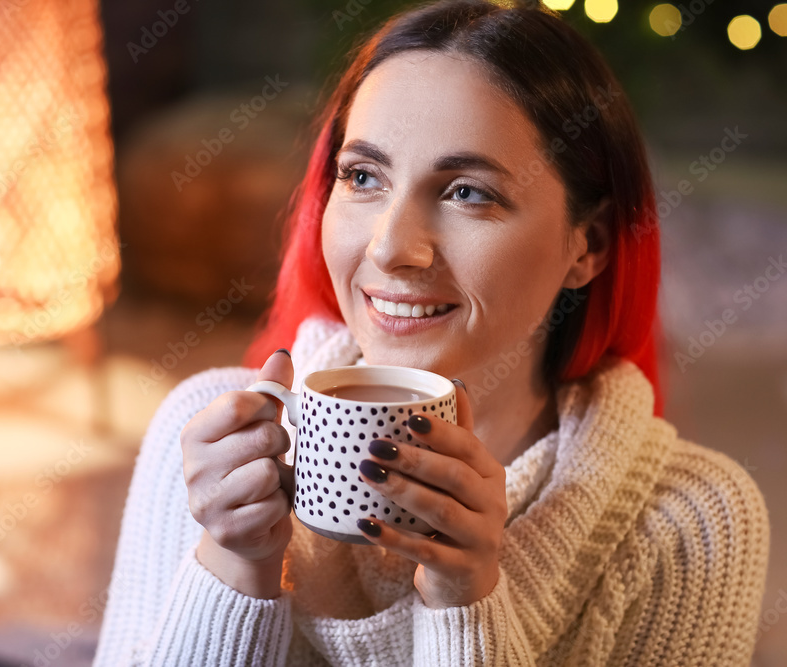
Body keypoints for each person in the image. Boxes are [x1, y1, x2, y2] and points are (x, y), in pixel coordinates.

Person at [93, 1, 770, 664]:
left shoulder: (694, 521)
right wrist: (233, 563)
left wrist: (464, 606)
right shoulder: (214, 443)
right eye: (363, 176)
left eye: (468, 192)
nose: (390, 249)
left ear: (586, 245)